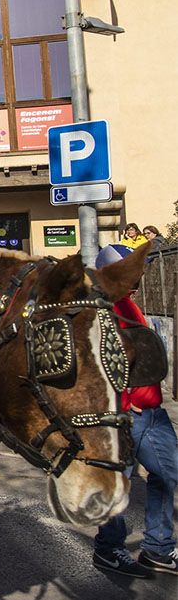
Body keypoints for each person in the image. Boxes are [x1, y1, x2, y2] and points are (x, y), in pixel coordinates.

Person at [91, 244, 178, 578]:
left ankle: (157, 548)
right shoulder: (100, 310)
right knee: (116, 485)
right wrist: (124, 402)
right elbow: (98, 364)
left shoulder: (128, 304)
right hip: (125, 417)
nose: (137, 281)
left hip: (152, 412)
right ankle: (108, 549)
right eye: (129, 273)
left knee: (167, 475)